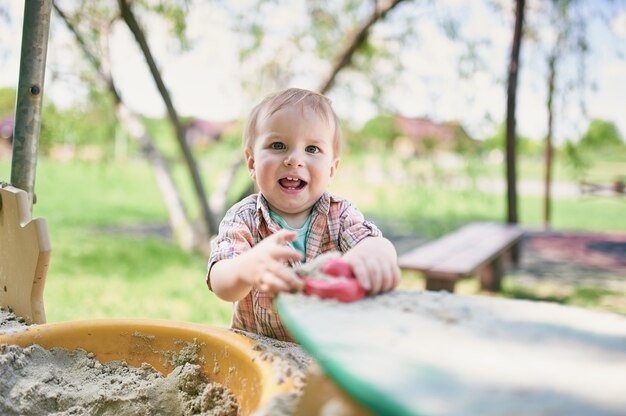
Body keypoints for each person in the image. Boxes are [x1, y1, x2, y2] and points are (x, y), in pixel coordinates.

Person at [206, 87, 400, 341]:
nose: (294, 160)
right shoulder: (244, 217)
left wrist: (375, 254)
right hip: (259, 350)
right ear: (252, 163)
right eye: (278, 145)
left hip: (327, 350)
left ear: (331, 170)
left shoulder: (340, 215)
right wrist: (245, 268)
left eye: (312, 149)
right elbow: (221, 281)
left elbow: (371, 242)